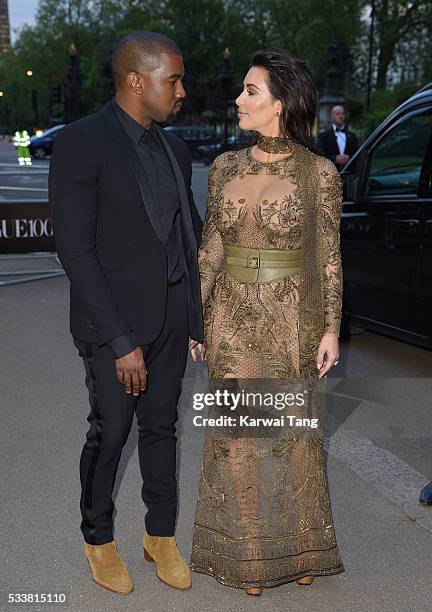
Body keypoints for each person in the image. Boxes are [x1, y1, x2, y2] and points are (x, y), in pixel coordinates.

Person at [48, 31, 204, 595]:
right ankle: (99, 540)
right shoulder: (81, 143)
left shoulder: (174, 147)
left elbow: (188, 235)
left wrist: (197, 321)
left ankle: (160, 536)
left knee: (162, 429)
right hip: (114, 326)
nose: (181, 91)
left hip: (172, 318)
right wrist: (120, 340)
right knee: (111, 432)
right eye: (173, 80)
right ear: (136, 81)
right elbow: (76, 249)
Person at [188, 48, 345, 595]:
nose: (239, 99)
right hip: (230, 315)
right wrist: (197, 319)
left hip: (291, 318)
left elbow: (327, 254)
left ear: (281, 104)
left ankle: (301, 551)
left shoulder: (319, 173)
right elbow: (209, 248)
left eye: (251, 91)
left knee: (294, 438)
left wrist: (331, 327)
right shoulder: (224, 166)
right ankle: (251, 558)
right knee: (237, 437)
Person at [317, 105, 359, 171]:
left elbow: (358, 153)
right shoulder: (323, 136)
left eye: (343, 113)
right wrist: (334, 159)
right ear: (332, 117)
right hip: (330, 175)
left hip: (349, 176)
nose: (341, 116)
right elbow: (319, 155)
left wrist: (350, 158)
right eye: (337, 114)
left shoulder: (353, 136)